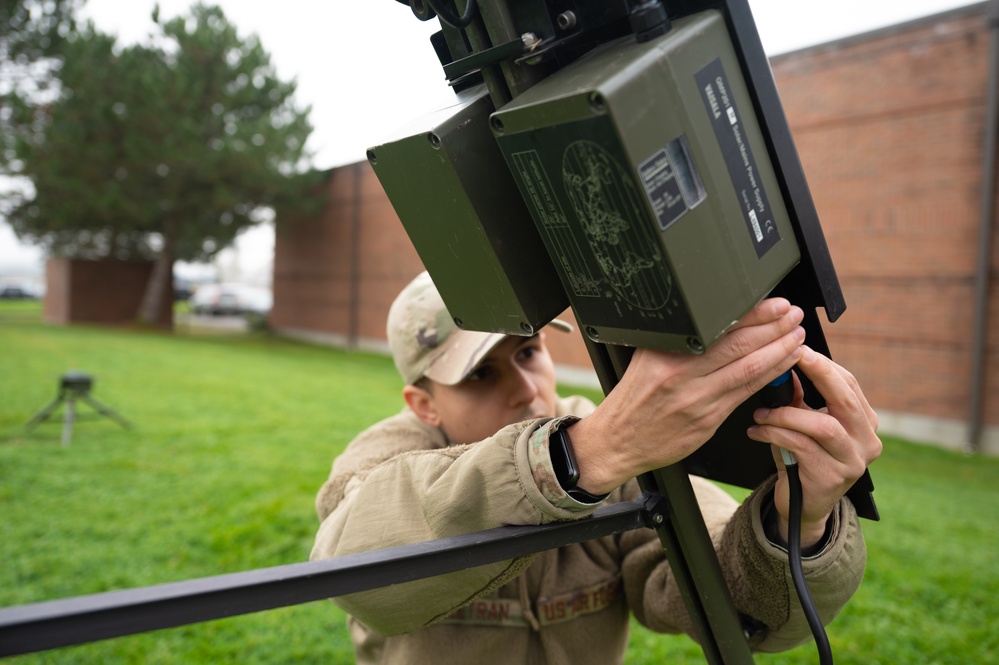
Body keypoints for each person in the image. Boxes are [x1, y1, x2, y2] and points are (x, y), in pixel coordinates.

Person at [311, 271, 881, 664]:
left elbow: (722, 594)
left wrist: (797, 523)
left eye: (528, 352)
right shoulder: (388, 451)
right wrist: (579, 459)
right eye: (481, 375)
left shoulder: (608, 434)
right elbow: (359, 575)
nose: (527, 391)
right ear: (424, 404)